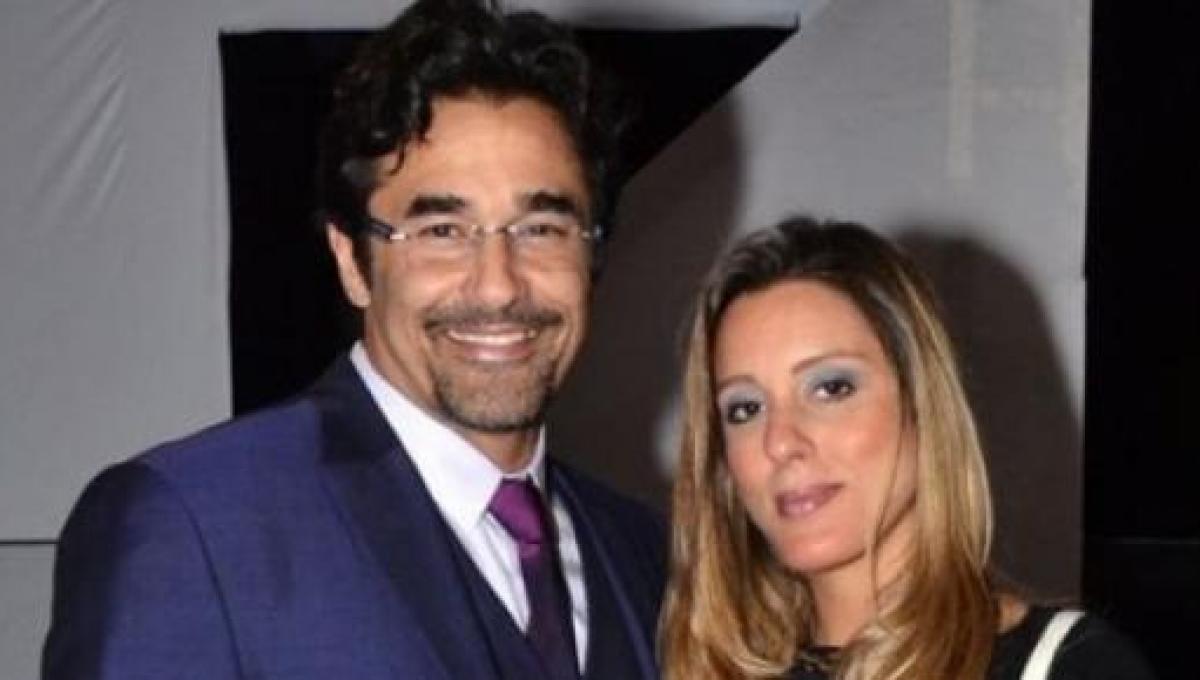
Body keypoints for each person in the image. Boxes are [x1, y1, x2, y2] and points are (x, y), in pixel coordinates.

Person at [42, 2, 664, 679]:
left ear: (592, 252)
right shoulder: (195, 528)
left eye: (541, 229)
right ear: (351, 262)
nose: (497, 286)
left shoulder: (646, 554)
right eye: (441, 231)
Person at [659, 217, 1156, 680]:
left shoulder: (1070, 666)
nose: (780, 441)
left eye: (831, 388)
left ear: (922, 404)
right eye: (745, 409)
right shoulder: (708, 667)